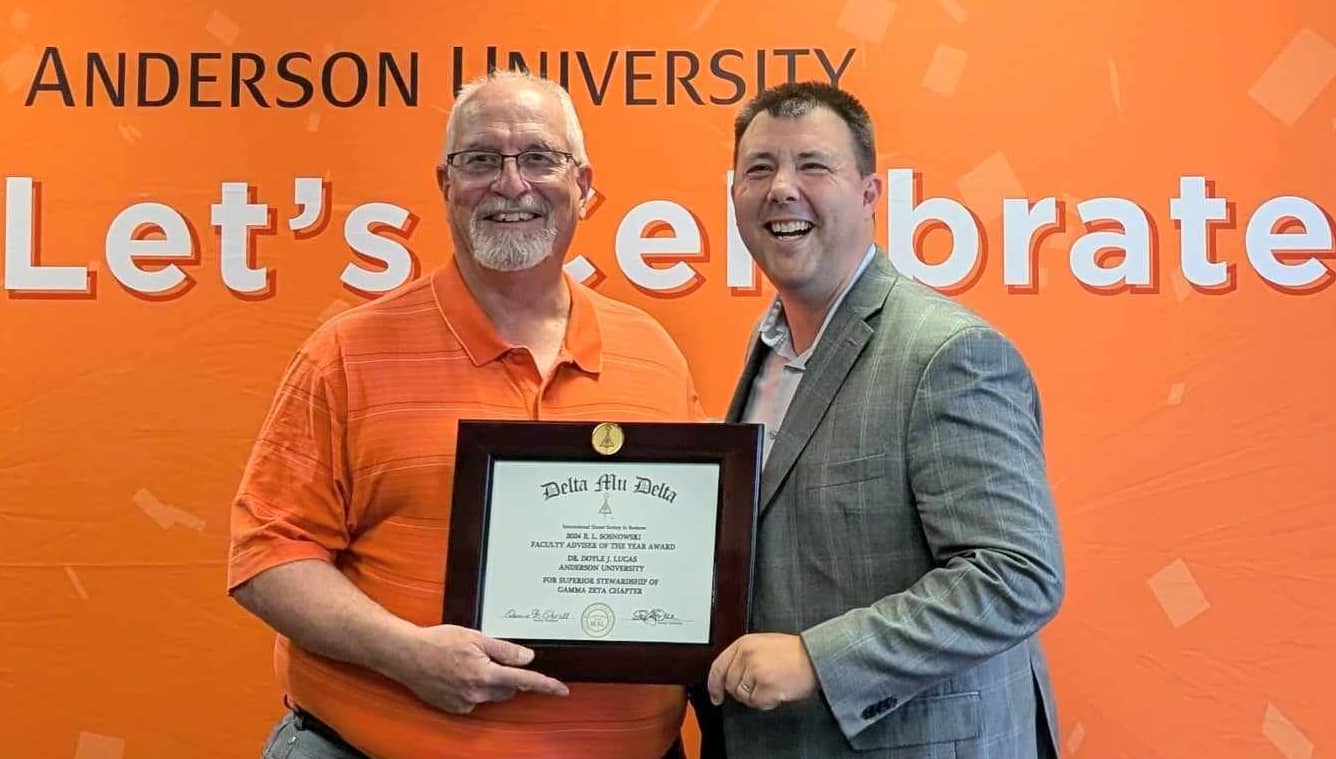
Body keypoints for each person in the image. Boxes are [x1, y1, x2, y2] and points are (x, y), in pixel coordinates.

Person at [228, 70, 702, 759]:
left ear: (584, 185)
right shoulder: (346, 354)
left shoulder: (653, 352)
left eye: (540, 157)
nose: (512, 183)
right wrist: (406, 654)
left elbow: (693, 547)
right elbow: (267, 553)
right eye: (480, 159)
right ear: (446, 184)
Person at [701, 82, 1065, 758]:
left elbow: (1016, 573)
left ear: (870, 194)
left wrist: (819, 658)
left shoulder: (948, 352)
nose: (782, 187)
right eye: (759, 168)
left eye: (813, 165)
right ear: (734, 197)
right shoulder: (771, 348)